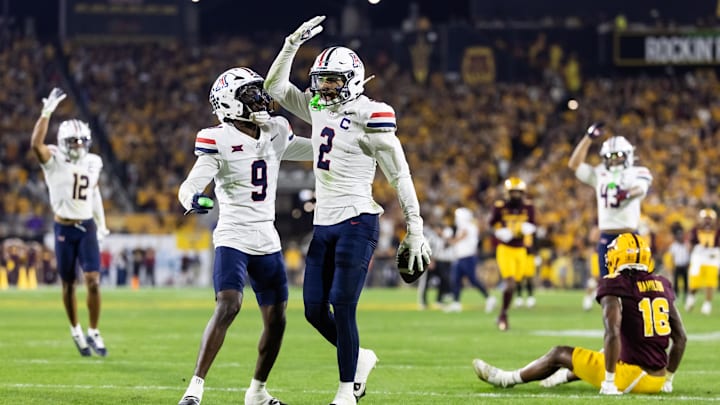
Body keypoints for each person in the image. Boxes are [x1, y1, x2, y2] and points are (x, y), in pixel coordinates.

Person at [265, 16, 432, 405]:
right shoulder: (320, 108)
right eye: (320, 79)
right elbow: (275, 87)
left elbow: (401, 175)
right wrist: (290, 45)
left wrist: (416, 226)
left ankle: (346, 391)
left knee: (342, 302)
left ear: (352, 79)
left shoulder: (370, 114)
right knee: (311, 309)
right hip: (323, 223)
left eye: (331, 80)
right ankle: (361, 359)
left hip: (358, 219)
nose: (323, 86)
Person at [177, 67, 313, 405]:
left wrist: (345, 146)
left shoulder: (276, 131)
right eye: (250, 94)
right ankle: (195, 387)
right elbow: (191, 185)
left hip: (267, 236)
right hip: (233, 234)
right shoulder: (217, 138)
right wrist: (192, 199)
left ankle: (257, 391)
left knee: (278, 318)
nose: (260, 98)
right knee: (229, 304)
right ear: (229, 103)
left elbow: (313, 150)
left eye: (258, 91)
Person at [473, 233, 687, 395]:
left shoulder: (616, 283)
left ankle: (505, 379)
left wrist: (610, 383)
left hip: (632, 376)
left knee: (559, 353)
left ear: (618, 257)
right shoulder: (662, 284)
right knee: (604, 352)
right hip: (657, 377)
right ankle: (562, 377)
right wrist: (668, 379)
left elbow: (612, 332)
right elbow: (680, 338)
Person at [30, 88, 110, 357]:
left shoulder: (94, 161)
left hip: (86, 226)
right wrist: (46, 113)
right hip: (63, 227)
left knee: (93, 280)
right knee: (67, 284)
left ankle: (94, 330)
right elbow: (35, 145)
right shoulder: (53, 160)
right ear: (64, 142)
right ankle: (75, 329)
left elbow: (95, 192)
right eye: (73, 141)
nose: (78, 146)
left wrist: (102, 224)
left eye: (81, 141)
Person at [568, 123, 653, 310]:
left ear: (628, 155)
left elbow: (641, 188)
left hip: (630, 237)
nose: (613, 160)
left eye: (618, 156)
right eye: (609, 156)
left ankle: (636, 330)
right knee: (608, 289)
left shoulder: (637, 172)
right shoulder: (600, 173)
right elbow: (574, 164)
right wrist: (588, 138)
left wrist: (627, 193)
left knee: (634, 288)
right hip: (606, 237)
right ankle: (615, 330)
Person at [489, 178, 535, 329]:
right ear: (507, 193)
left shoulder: (528, 207)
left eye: (518, 192)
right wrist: (500, 232)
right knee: (509, 283)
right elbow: (491, 225)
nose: (515, 195)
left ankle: (503, 312)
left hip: (520, 249)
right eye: (512, 192)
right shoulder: (500, 207)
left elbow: (533, 225)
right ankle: (503, 314)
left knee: (515, 284)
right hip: (505, 249)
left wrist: (526, 229)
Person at [445, 207, 495, 313]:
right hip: (461, 257)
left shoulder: (468, 227)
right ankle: (456, 303)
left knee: (473, 280)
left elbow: (458, 240)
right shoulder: (468, 227)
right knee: (455, 279)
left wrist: (446, 238)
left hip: (468, 257)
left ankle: (489, 298)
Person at [685, 208, 720, 315]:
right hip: (699, 256)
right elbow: (690, 244)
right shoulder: (695, 229)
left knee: (710, 281)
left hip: (712, 256)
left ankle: (707, 304)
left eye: (710, 219)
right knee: (694, 281)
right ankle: (691, 297)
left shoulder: (718, 230)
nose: (708, 221)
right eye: (706, 218)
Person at [667, 223, 690, 303]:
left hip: (685, 266)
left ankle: (686, 296)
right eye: (679, 236)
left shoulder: (686, 245)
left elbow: (689, 254)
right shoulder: (673, 245)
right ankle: (676, 296)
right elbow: (671, 257)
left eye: (681, 235)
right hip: (677, 266)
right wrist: (671, 267)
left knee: (686, 282)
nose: (680, 237)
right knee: (676, 282)